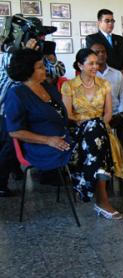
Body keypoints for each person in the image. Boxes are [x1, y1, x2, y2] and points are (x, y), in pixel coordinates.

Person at [0, 18, 60, 197]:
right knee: (9, 146)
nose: (40, 40)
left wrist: (51, 58)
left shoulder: (39, 55)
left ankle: (47, 174)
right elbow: (17, 75)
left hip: (32, 108)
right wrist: (26, 53)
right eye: (37, 36)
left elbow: (57, 72)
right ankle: (1, 182)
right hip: (7, 107)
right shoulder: (10, 54)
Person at [61, 48, 122, 219]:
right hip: (78, 129)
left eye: (97, 63)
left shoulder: (104, 84)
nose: (96, 66)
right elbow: (68, 115)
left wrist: (98, 124)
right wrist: (85, 123)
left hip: (101, 128)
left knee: (97, 130)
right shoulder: (69, 86)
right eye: (91, 63)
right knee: (95, 135)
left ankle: (87, 187)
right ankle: (102, 201)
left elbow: (108, 113)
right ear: (80, 65)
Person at [4, 48, 72, 188]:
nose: (45, 70)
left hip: (63, 136)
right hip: (40, 146)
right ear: (28, 70)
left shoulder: (48, 87)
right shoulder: (17, 94)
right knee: (88, 150)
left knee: (96, 133)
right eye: (40, 67)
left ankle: (93, 188)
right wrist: (48, 140)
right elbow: (15, 131)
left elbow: (60, 115)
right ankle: (94, 192)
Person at [86, 9, 123, 75]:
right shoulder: (92, 38)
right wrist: (112, 73)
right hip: (103, 75)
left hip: (121, 75)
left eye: (112, 21)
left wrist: (122, 71)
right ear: (99, 22)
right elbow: (94, 58)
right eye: (107, 21)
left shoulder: (121, 39)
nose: (111, 23)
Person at [89, 43, 123, 115]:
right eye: (97, 52)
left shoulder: (117, 74)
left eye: (103, 52)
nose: (101, 54)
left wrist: (121, 112)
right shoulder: (87, 75)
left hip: (116, 114)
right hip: (94, 117)